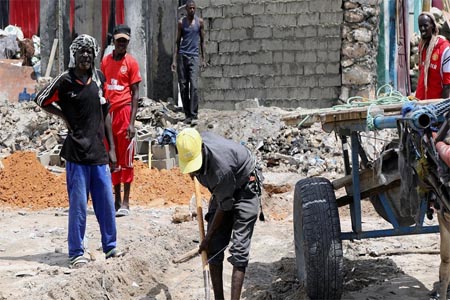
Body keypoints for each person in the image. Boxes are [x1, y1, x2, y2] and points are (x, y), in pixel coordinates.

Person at [34, 34, 123, 268]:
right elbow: (41, 99)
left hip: (98, 154)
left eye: (89, 51)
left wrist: (112, 148)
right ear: (74, 55)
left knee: (105, 202)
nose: (85, 55)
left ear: (94, 55)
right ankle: (76, 252)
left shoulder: (100, 79)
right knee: (78, 207)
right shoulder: (65, 80)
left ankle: (110, 246)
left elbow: (106, 114)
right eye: (81, 51)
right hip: (76, 154)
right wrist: (64, 114)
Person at [176, 128, 262, 300]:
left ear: (202, 149)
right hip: (224, 190)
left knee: (239, 251)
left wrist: (207, 237)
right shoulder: (189, 142)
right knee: (214, 248)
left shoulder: (220, 169)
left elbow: (225, 207)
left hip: (245, 188)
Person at [101, 24, 142, 217]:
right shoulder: (106, 62)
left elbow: (135, 95)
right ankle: (115, 199)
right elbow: (102, 88)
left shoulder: (131, 63)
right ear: (113, 41)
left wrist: (132, 123)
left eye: (125, 41)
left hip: (125, 113)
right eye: (119, 41)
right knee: (113, 158)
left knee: (126, 160)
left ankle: (126, 201)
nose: (121, 44)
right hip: (109, 113)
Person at [171, 0, 206, 125]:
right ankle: (187, 114)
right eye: (190, 8)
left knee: (194, 86)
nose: (192, 10)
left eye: (193, 8)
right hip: (183, 56)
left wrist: (203, 59)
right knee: (184, 85)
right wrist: (174, 60)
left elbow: (202, 41)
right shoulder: (181, 23)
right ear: (186, 9)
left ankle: (194, 113)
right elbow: (177, 42)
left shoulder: (199, 22)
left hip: (194, 56)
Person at [415, 12, 450, 100]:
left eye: (426, 26)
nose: (422, 29)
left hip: (435, 105)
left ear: (433, 26)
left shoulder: (444, 49)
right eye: (420, 26)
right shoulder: (422, 47)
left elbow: (447, 84)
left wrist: (442, 108)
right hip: (420, 102)